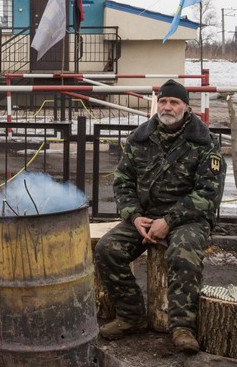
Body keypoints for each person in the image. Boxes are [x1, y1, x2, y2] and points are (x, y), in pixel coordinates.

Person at [94, 79, 225, 353]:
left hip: (188, 218)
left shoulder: (204, 142)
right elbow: (122, 181)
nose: (167, 107)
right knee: (107, 249)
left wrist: (170, 220)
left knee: (182, 254)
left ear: (186, 107)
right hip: (145, 216)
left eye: (174, 102)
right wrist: (134, 216)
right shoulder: (140, 137)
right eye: (163, 101)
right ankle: (131, 317)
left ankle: (182, 327)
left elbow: (207, 193)